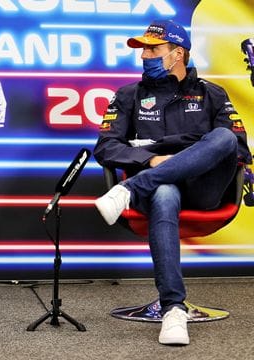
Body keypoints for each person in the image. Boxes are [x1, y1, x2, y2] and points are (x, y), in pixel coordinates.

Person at [93, 20, 252, 346]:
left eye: (153, 49)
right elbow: (106, 147)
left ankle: (129, 189)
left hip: (203, 190)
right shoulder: (127, 96)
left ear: (177, 54)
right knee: (164, 192)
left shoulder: (211, 93)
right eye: (143, 50)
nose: (144, 56)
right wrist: (151, 159)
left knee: (222, 136)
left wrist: (167, 145)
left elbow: (237, 147)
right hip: (158, 190)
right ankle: (173, 309)